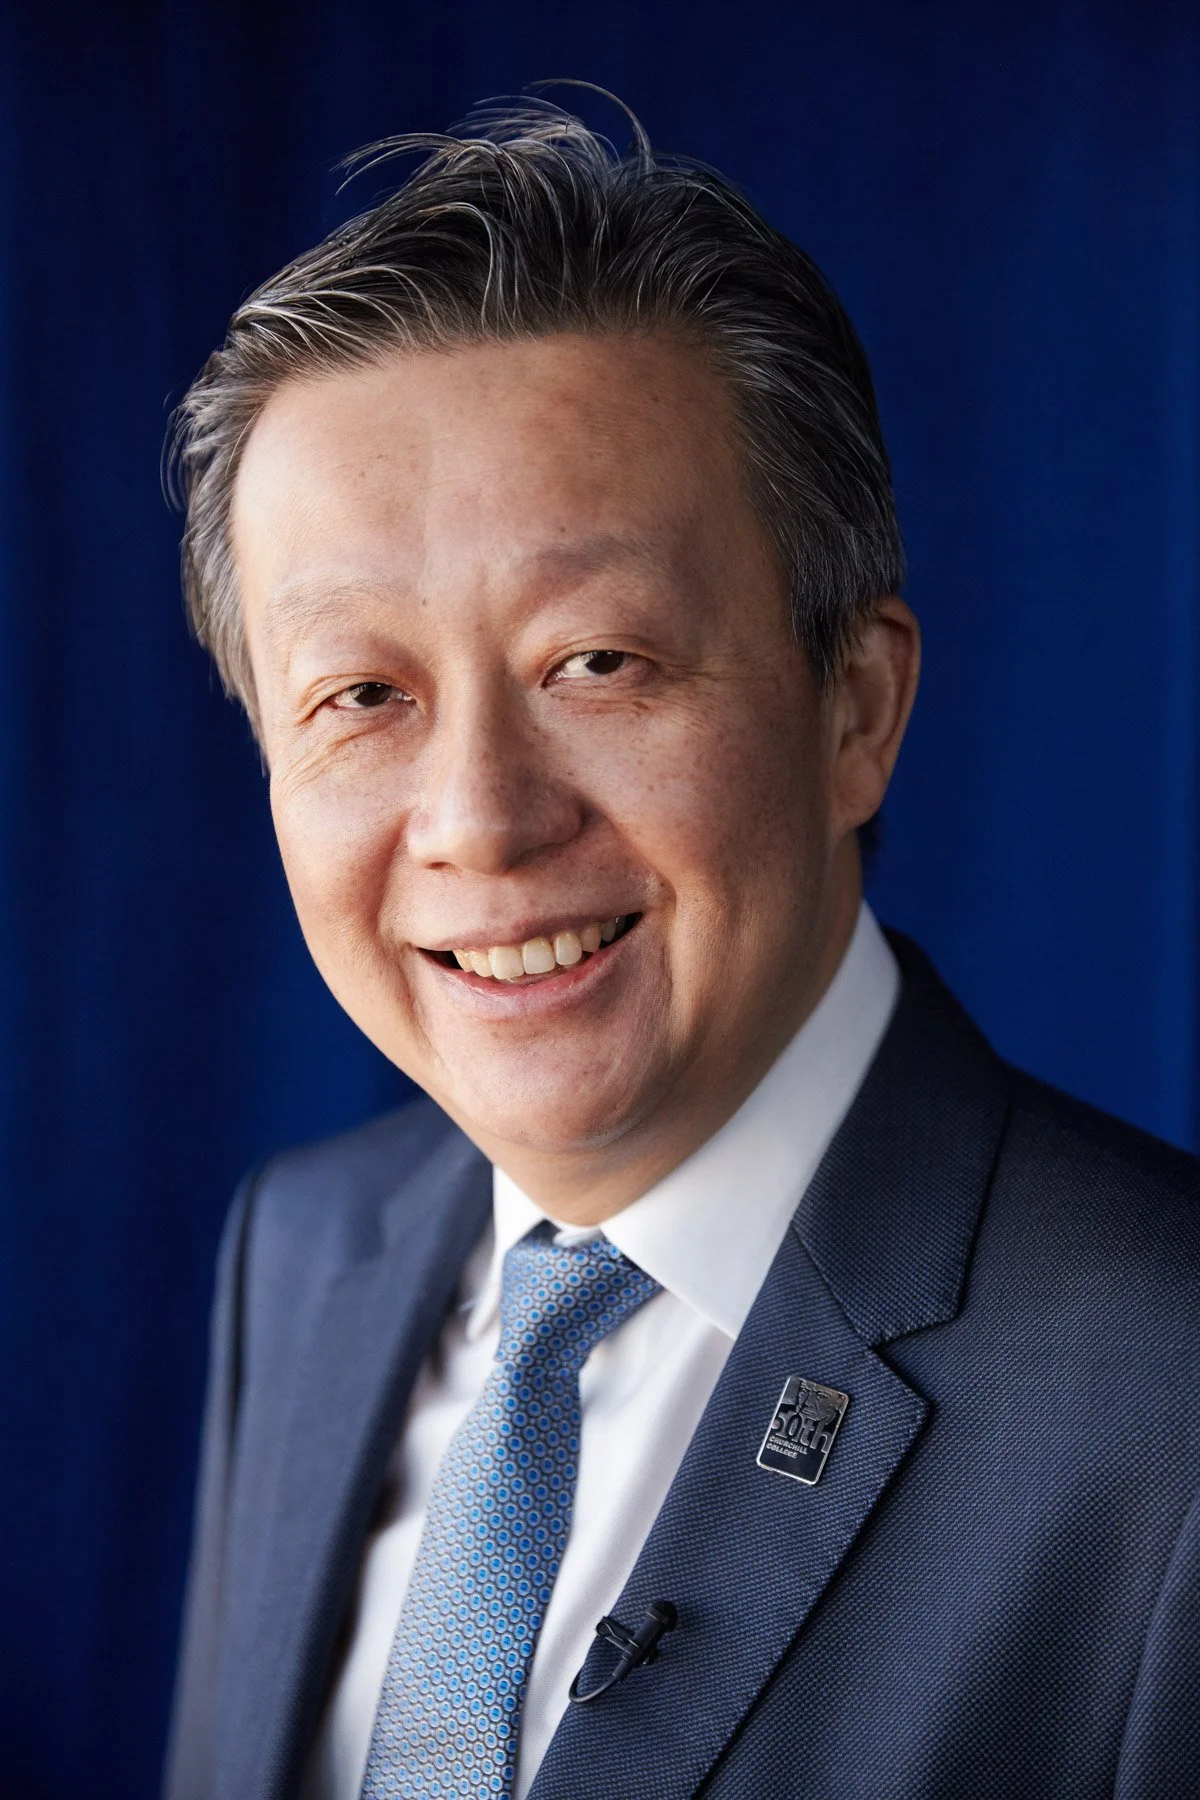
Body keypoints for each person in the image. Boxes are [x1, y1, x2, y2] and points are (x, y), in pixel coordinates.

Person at [164, 100, 1200, 1800]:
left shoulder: (1166, 1404)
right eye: (359, 695)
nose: (479, 821)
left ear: (854, 708)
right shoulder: (302, 1256)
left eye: (599, 662)